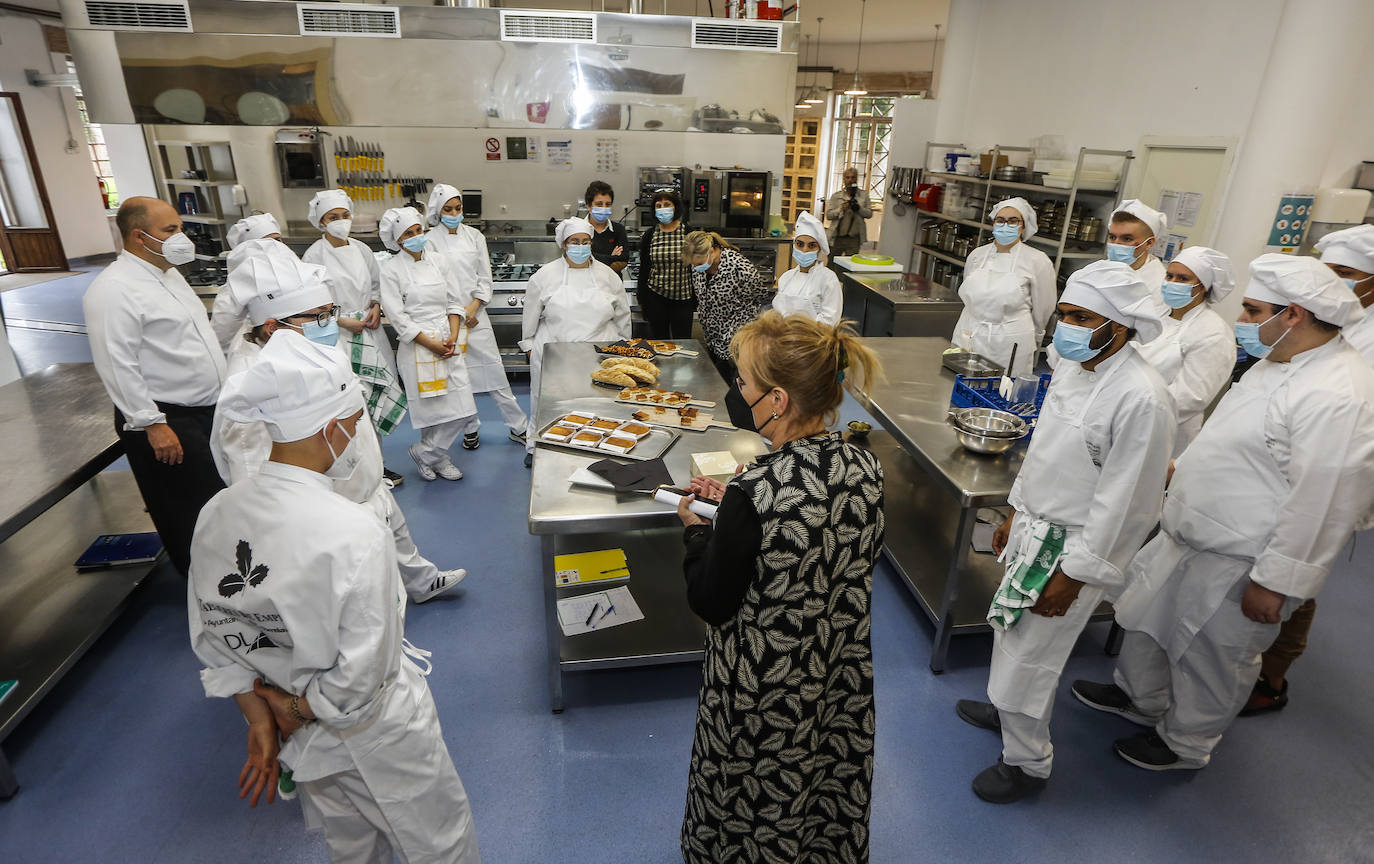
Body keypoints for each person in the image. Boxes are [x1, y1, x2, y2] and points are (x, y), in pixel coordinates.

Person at [188, 331, 481, 863]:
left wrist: (260, 716)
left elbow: (215, 636)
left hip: (293, 730)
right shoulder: (351, 530)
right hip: (377, 735)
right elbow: (362, 676)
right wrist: (301, 710)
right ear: (333, 429)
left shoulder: (217, 512)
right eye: (354, 423)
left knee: (350, 845)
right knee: (439, 843)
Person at [1072, 254, 1374, 771]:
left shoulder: (1340, 393)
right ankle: (1141, 700)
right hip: (1189, 531)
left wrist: (1276, 581)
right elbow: (1226, 435)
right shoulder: (1277, 363)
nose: (1244, 322)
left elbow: (1324, 502)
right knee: (1148, 623)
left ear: (1294, 314)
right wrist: (1178, 469)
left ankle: (1186, 744)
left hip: (1241, 557)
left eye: (1253, 311)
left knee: (1211, 655)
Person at [954, 260, 1175, 804]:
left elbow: (1129, 506)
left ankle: (1027, 762)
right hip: (1034, 527)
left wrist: (1074, 577)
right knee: (1011, 632)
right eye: (1067, 314)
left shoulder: (1142, 398)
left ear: (1119, 325)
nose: (1066, 326)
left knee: (1034, 654)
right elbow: (1043, 450)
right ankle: (1006, 710)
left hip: (1073, 549)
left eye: (1081, 316)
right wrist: (1013, 510)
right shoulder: (1077, 369)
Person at [675, 311, 884, 864]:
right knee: (823, 768)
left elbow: (712, 601)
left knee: (760, 787)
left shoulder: (754, 490)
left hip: (765, 685)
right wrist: (737, 511)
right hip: (835, 666)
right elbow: (825, 541)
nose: (738, 391)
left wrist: (700, 535)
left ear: (778, 401)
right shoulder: (865, 466)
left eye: (743, 383)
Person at [210, 239, 465, 603]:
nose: (326, 324)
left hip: (361, 482)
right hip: (326, 511)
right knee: (360, 594)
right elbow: (253, 485)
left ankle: (420, 582)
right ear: (271, 325)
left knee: (393, 530)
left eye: (329, 313)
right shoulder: (253, 383)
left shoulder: (308, 348)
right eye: (316, 317)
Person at [1240, 224, 1374, 715]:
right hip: (1287, 468)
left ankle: (1271, 677)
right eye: (1329, 272)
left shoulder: (1347, 366)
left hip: (1338, 469)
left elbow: (1332, 475)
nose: (1334, 283)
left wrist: (1279, 579)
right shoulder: (1307, 334)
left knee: (1298, 578)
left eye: (1346, 273)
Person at [83, 196, 228, 576]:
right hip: (166, 419)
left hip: (205, 409)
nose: (182, 237)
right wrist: (152, 423)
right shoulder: (114, 289)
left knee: (218, 499)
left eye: (180, 227)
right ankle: (206, 587)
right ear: (138, 236)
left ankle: (231, 574)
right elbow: (117, 364)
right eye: (170, 230)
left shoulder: (168, 274)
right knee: (186, 507)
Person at [425, 183, 529, 451]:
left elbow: (485, 278)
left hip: (476, 317)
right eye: (448, 209)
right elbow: (432, 283)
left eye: (458, 208)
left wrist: (472, 308)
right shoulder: (428, 241)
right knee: (458, 380)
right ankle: (470, 428)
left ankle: (519, 427)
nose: (455, 213)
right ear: (438, 211)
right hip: (446, 321)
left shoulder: (474, 237)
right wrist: (456, 314)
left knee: (494, 373)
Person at [520, 217, 631, 466]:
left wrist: (625, 343)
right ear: (563, 245)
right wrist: (528, 345)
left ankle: (599, 442)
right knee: (547, 400)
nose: (580, 246)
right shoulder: (544, 276)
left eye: (585, 242)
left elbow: (623, 313)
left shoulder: (607, 275)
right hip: (555, 349)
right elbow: (530, 314)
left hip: (599, 349)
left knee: (598, 400)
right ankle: (536, 443)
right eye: (574, 242)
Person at [378, 206, 477, 483]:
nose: (416, 236)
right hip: (418, 345)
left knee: (462, 408)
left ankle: (425, 451)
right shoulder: (391, 271)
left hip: (447, 339)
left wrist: (453, 337)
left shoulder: (439, 261)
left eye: (418, 230)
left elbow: (455, 303)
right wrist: (431, 344)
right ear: (398, 240)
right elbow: (397, 318)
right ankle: (438, 459)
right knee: (433, 412)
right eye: (408, 234)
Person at [1134, 245, 1239, 456]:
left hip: (1164, 433)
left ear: (1203, 287)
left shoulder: (1213, 333)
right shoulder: (1157, 316)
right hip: (1128, 419)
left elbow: (1191, 397)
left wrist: (1130, 408)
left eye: (1183, 279)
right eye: (1170, 276)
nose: (1172, 283)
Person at [951, 197, 1056, 377]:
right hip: (969, 334)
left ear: (1023, 226)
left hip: (1010, 342)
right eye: (1000, 220)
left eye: (1013, 221)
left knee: (1003, 392)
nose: (1005, 225)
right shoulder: (977, 255)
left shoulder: (1037, 261)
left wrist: (1037, 335)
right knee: (960, 386)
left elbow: (1044, 307)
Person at [682, 230, 775, 429]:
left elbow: (760, 296)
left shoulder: (739, 267)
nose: (696, 267)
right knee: (718, 388)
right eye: (693, 264)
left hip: (739, 340)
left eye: (699, 262)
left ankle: (745, 431)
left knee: (740, 392)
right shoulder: (699, 268)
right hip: (714, 338)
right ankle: (722, 424)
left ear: (714, 251)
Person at [635, 188, 695, 340]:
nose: (663, 209)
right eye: (658, 206)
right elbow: (644, 269)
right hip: (656, 298)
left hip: (683, 299)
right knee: (659, 342)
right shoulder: (650, 235)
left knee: (683, 342)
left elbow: (696, 268)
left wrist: (697, 298)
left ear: (676, 207)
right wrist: (642, 299)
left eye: (667, 204)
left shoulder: (688, 232)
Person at [772, 210, 842, 325]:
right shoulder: (786, 278)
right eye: (800, 244)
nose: (804, 250)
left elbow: (829, 321)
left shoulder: (828, 279)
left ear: (819, 249)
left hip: (814, 340)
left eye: (812, 245)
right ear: (794, 245)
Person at [1106, 199, 1169, 314]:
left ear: (1149, 243)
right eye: (1112, 237)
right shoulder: (1098, 269)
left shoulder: (1160, 287)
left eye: (1127, 239)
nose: (1116, 244)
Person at [824, 165, 872, 260]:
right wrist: (841, 209)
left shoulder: (863, 195)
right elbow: (828, 215)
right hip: (837, 237)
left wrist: (858, 208)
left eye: (853, 177)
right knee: (832, 264)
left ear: (857, 179)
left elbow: (869, 214)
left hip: (854, 238)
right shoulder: (836, 196)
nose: (850, 180)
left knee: (850, 266)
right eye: (847, 177)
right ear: (844, 179)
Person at [583, 180, 629, 274]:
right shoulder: (579, 230)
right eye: (599, 204)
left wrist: (592, 257)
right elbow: (579, 260)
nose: (604, 208)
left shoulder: (618, 229)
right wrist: (611, 258)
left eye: (608, 204)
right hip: (587, 283)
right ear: (588, 206)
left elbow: (623, 260)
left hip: (613, 284)